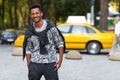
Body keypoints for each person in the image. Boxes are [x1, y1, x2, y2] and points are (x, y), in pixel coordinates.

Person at [23, 4, 64, 80]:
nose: (35, 15)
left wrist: (60, 59)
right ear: (30, 15)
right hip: (34, 64)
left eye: (37, 13)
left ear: (41, 13)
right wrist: (29, 63)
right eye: (33, 14)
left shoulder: (51, 28)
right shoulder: (29, 31)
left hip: (50, 63)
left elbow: (60, 43)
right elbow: (28, 48)